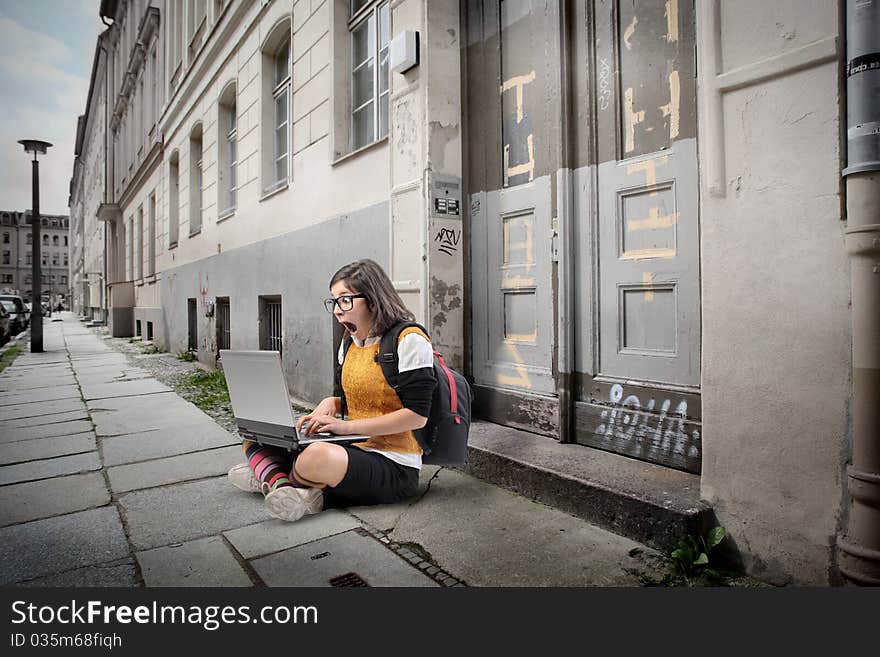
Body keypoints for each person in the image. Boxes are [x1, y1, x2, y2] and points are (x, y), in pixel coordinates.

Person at [227, 259, 437, 521]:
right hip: (353, 448)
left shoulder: (409, 340)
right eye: (334, 301)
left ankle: (273, 478)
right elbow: (367, 399)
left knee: (316, 455)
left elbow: (417, 415)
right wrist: (334, 402)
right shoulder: (349, 342)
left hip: (394, 464)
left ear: (373, 299)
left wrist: (344, 427)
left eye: (345, 300)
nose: (337, 311)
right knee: (257, 438)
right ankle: (288, 487)